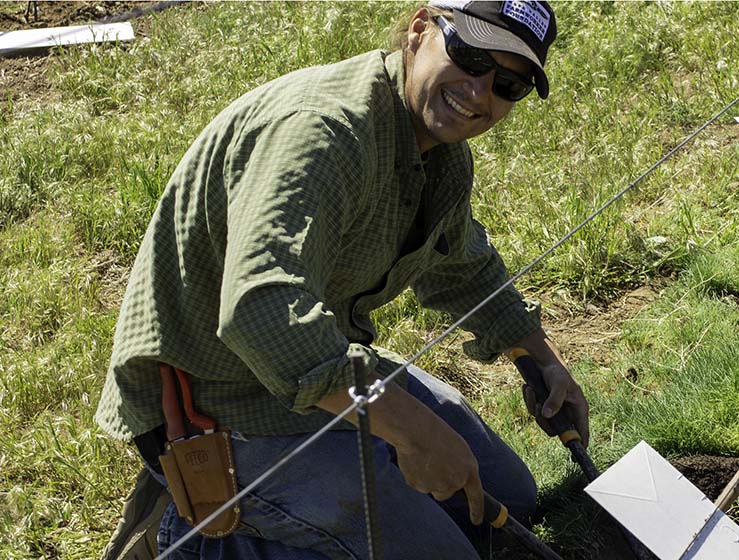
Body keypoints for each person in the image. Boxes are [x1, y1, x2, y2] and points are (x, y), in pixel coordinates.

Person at [95, 1, 588, 558]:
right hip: (219, 402)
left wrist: (539, 354)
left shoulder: (437, 148)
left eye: (508, 84)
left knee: (509, 501)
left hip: (320, 367)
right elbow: (259, 310)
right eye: (469, 57)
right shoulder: (321, 132)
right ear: (421, 29)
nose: (479, 93)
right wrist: (410, 431)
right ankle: (181, 538)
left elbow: (459, 260)